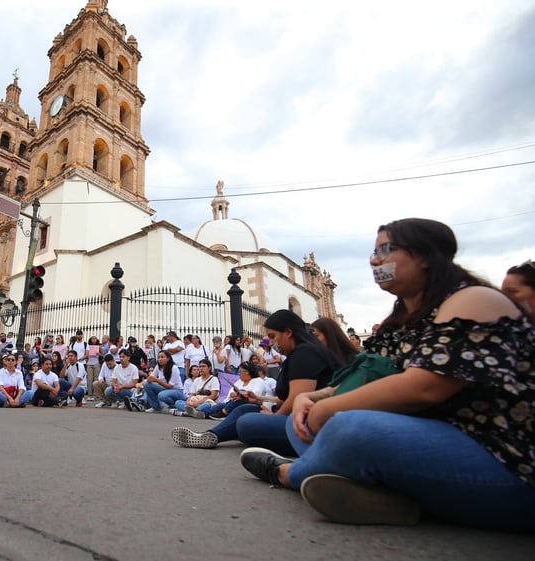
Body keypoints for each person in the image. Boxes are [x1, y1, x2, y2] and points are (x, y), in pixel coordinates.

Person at [240, 218, 535, 532]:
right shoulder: (404, 317)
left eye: (386, 249)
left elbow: (424, 388)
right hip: (432, 443)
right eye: (373, 251)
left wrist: (329, 407)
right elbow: (371, 373)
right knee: (302, 423)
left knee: (348, 427)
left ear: (424, 255)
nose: (373, 259)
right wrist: (314, 398)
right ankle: (380, 493)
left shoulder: (475, 299)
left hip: (504, 460)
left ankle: (291, 473)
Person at [172, 309, 339, 450]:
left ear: (288, 332)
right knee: (243, 410)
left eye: (273, 336)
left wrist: (275, 416)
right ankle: (211, 435)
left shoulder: (304, 353)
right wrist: (260, 400)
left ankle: (218, 434)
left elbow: (297, 398)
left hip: (308, 423)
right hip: (297, 416)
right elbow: (285, 398)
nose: (272, 343)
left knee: (247, 423)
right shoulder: (300, 353)